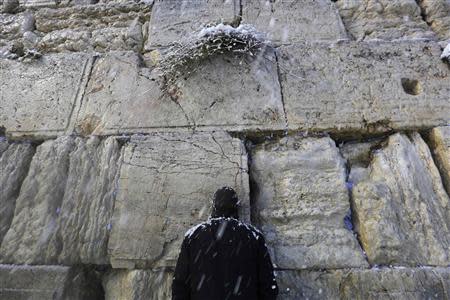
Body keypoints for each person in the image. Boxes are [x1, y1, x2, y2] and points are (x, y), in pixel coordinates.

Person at [172, 187, 278, 300]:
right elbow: (268, 285)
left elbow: (180, 284)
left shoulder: (194, 236)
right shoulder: (253, 236)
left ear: (214, 206)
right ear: (236, 206)